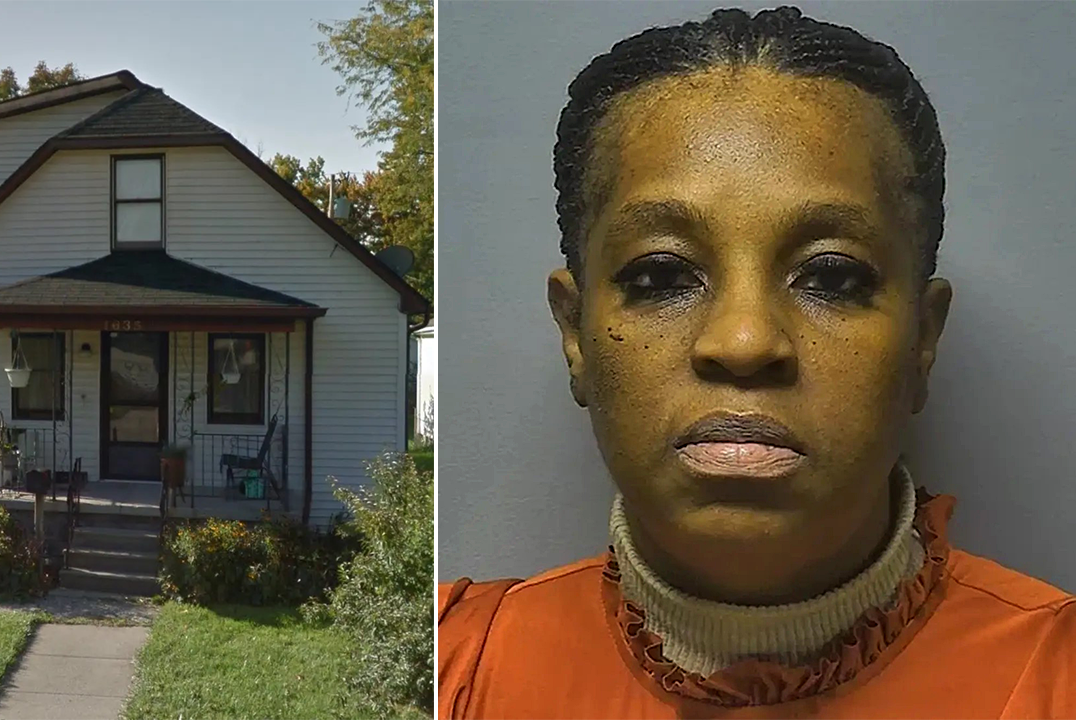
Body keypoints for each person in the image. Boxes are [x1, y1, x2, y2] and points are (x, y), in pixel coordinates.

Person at [437, 7, 1076, 718]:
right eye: (660, 276)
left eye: (832, 276)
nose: (743, 343)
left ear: (923, 338)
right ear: (576, 334)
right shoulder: (450, 670)